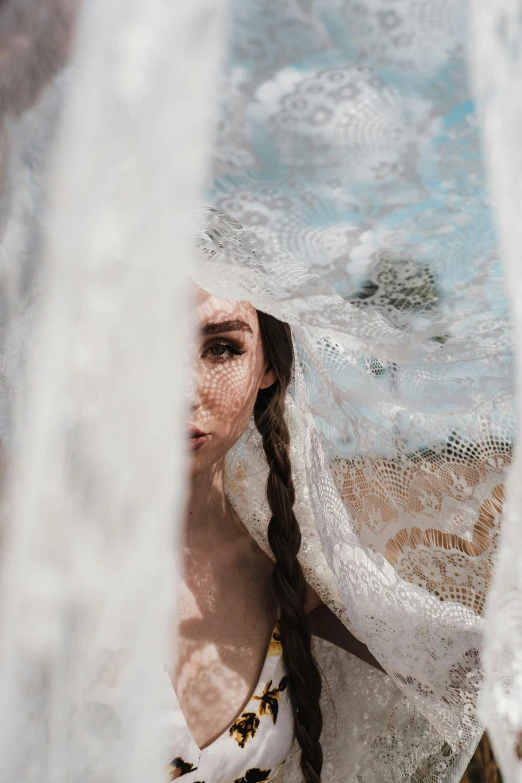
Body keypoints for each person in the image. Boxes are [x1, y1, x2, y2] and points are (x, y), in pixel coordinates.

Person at [169, 279, 385, 783]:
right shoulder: (29, 558)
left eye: (222, 347)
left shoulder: (298, 579)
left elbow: (472, 675)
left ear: (268, 366)